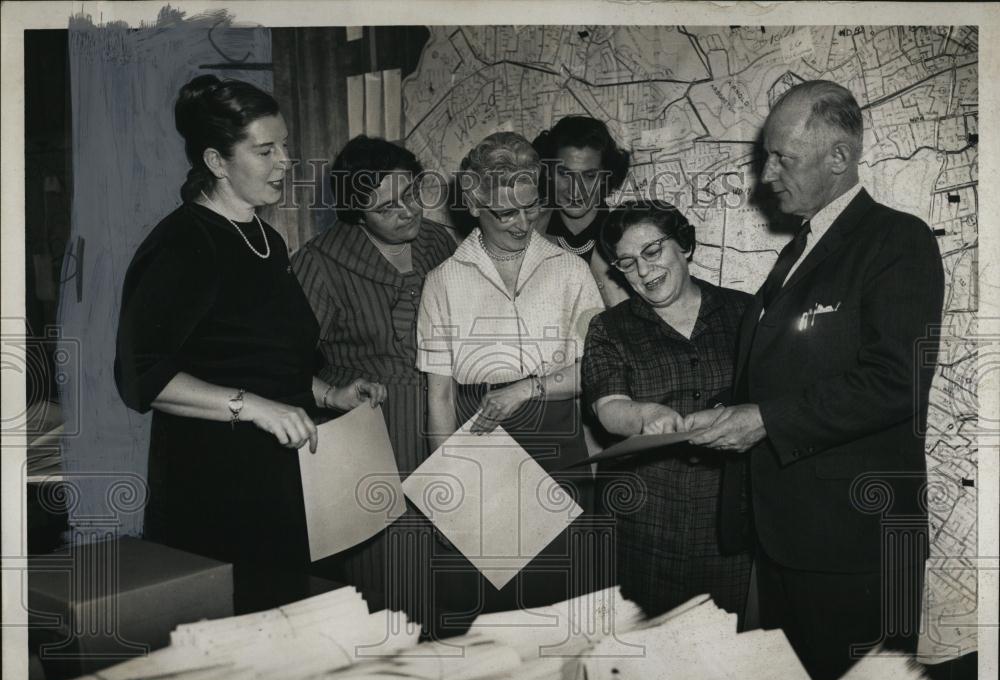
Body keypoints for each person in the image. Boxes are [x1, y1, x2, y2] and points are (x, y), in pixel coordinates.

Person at [684, 80, 944, 680]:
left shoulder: (895, 241)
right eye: (766, 156)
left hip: (855, 547)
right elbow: (787, 374)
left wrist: (763, 420)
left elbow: (894, 381)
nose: (767, 175)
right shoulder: (800, 249)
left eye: (782, 157)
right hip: (790, 541)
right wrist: (719, 413)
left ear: (838, 157)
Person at [115, 76, 384, 614]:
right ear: (217, 161)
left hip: (290, 482)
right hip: (218, 486)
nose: (286, 161)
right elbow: (142, 375)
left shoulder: (269, 238)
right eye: (266, 150)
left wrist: (330, 395)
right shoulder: (183, 243)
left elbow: (269, 359)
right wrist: (253, 407)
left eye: (284, 145)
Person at [416, 131, 605, 628]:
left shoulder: (570, 271)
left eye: (531, 207)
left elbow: (598, 369)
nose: (524, 223)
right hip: (480, 452)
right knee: (486, 616)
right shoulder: (443, 281)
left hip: (559, 447)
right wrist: (447, 488)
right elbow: (439, 395)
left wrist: (528, 387)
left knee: (563, 612)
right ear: (476, 204)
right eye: (507, 213)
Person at [289, 135, 456, 619]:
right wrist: (331, 390)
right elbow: (286, 361)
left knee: (457, 574)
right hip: (373, 435)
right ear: (357, 214)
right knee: (393, 586)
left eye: (412, 194)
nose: (407, 212)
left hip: (445, 419)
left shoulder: (439, 242)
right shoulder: (318, 263)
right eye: (387, 207)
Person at [581, 201, 753, 618]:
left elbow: (772, 396)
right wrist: (643, 416)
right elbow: (608, 406)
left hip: (725, 515)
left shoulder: (746, 312)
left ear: (685, 245)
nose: (643, 271)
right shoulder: (609, 328)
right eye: (627, 262)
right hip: (641, 518)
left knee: (719, 649)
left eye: (652, 252)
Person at [533, 116, 631, 307]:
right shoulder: (527, 235)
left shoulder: (628, 236)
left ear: (605, 176)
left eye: (589, 175)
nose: (575, 189)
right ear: (548, 172)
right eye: (563, 173)